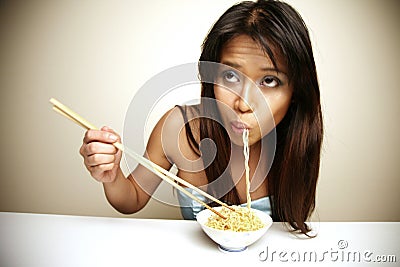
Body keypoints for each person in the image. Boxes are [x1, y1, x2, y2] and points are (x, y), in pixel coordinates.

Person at [79, 0, 323, 236]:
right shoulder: (180, 129)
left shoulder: (297, 137)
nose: (243, 103)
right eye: (230, 76)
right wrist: (111, 175)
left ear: (296, 91)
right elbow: (131, 199)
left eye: (269, 81)